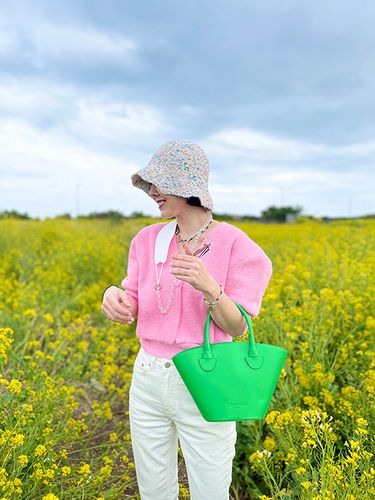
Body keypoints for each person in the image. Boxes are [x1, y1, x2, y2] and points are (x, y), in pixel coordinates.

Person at [101, 139, 273, 500]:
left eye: (160, 184)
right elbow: (133, 298)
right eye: (150, 184)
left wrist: (210, 287)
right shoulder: (147, 240)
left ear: (186, 185)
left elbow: (237, 327)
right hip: (147, 375)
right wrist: (114, 295)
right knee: (153, 490)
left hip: (205, 378)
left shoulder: (235, 244)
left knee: (210, 491)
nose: (152, 192)